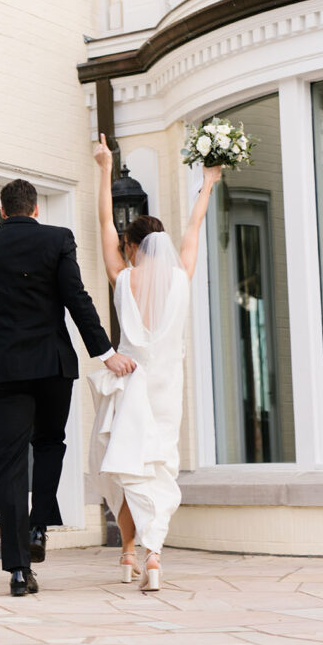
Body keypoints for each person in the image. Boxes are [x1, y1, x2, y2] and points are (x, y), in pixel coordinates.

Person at [0, 178, 133, 597]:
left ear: (2, 211)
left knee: (8, 463)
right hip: (52, 365)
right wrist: (105, 352)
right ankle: (39, 526)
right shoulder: (58, 239)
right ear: (35, 209)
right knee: (49, 443)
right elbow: (77, 298)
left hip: (5, 369)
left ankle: (19, 570)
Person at [88, 133, 220, 592]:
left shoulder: (123, 280)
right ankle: (154, 556)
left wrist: (105, 168)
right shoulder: (182, 279)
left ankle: (127, 553)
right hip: (166, 393)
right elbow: (194, 227)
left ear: (132, 244)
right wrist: (207, 184)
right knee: (159, 468)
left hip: (131, 389)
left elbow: (103, 221)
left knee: (128, 469)